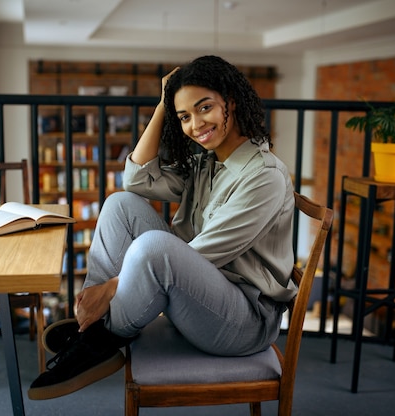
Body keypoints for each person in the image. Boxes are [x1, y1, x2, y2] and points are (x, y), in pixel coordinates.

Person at [28, 55, 296, 400]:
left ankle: (102, 337)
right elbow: (136, 179)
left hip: (242, 322)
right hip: (199, 300)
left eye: (205, 108)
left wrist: (114, 285)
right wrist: (162, 104)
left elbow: (204, 253)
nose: (195, 124)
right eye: (184, 116)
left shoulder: (263, 177)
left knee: (155, 247)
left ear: (231, 102)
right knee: (119, 205)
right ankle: (94, 324)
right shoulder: (208, 164)